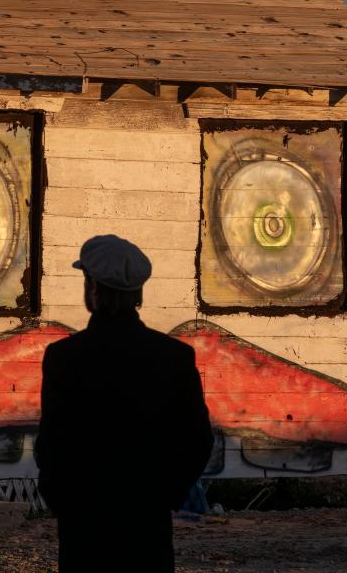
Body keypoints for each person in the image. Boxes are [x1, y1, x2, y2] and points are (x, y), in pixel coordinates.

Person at [35, 234, 214, 573]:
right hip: (147, 522)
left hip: (83, 525)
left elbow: (52, 444)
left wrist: (63, 501)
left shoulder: (64, 358)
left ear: (93, 288)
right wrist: (166, 495)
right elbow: (197, 440)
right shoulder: (173, 357)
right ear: (138, 292)